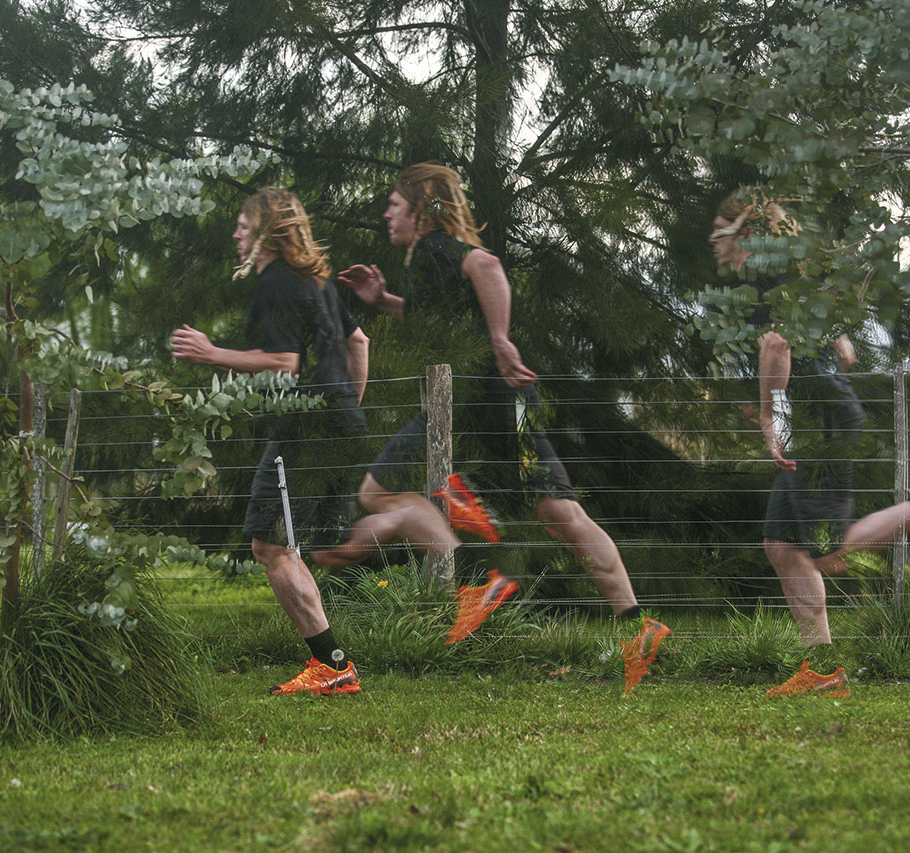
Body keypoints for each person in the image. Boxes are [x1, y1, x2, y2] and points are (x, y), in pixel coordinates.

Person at [315, 162, 670, 693]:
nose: (387, 212)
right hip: (485, 400)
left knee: (378, 492)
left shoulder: (438, 247)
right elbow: (450, 314)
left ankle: (479, 574)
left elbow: (487, 266)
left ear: (420, 208)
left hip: (477, 398)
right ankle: (636, 628)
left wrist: (502, 340)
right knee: (558, 513)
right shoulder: (426, 260)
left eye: (394, 203)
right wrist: (386, 301)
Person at [709, 187, 910, 698]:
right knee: (782, 546)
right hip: (822, 413)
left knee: (830, 552)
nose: (715, 246)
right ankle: (821, 673)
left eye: (720, 234)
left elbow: (778, 345)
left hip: (815, 423)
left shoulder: (767, 280)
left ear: (749, 234)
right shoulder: (795, 278)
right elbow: (843, 351)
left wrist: (770, 416)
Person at [171, 187, 369, 697]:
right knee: (290, 545)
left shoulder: (276, 282)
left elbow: (284, 363)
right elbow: (359, 342)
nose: (235, 234)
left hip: (304, 430)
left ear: (266, 232)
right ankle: (334, 663)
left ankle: (333, 667)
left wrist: (211, 353)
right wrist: (347, 405)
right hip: (337, 425)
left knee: (271, 546)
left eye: (242, 225)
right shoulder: (316, 280)